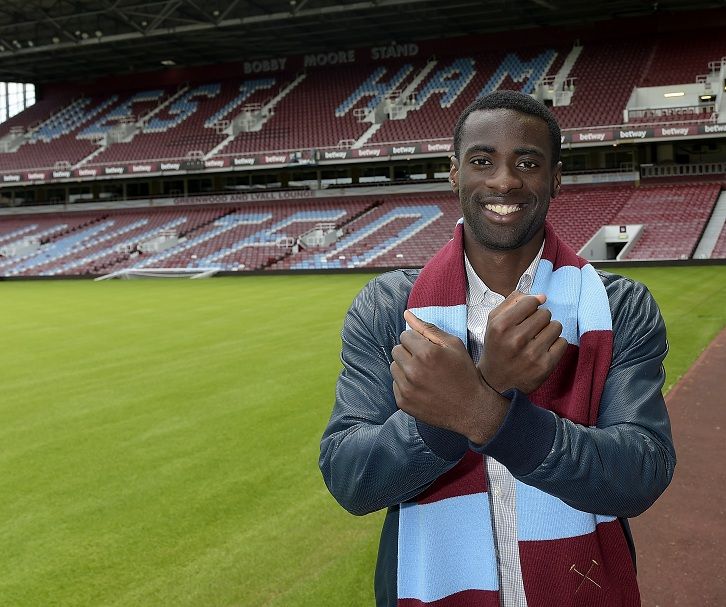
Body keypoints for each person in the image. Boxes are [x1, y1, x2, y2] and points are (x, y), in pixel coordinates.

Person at [319, 90, 675, 607]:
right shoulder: (390, 306)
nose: (504, 180)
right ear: (454, 172)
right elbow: (353, 481)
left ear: (555, 178)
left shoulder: (619, 306)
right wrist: (486, 387)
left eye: (527, 163)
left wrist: (482, 407)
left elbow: (639, 476)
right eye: (482, 160)